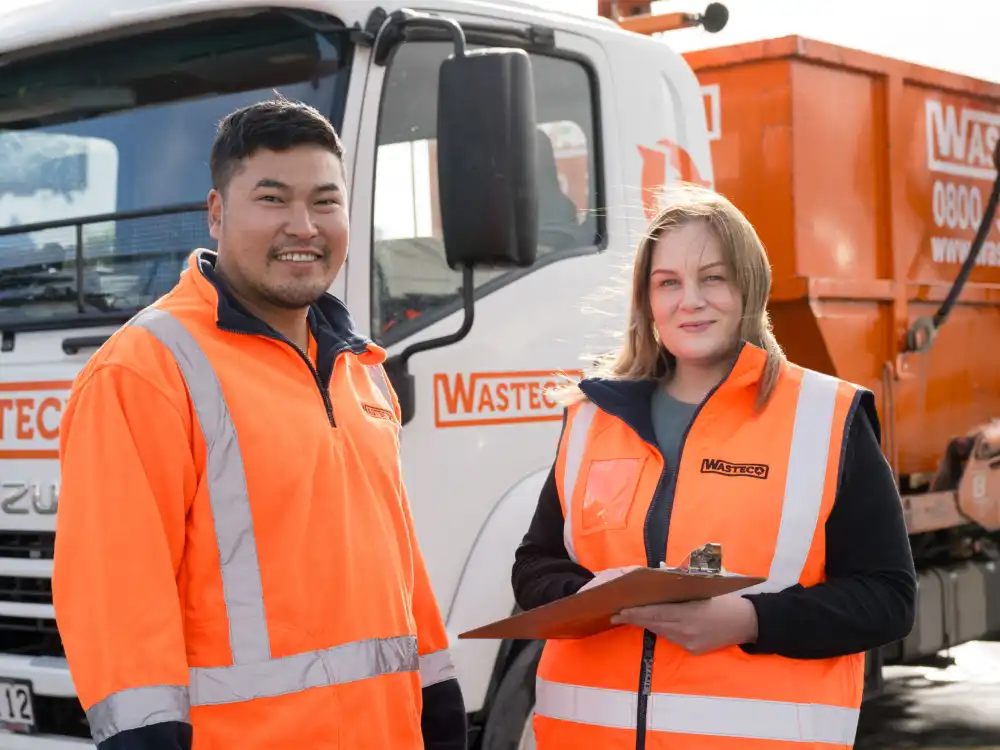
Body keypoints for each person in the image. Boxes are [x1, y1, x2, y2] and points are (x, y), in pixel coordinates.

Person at [52, 97, 468, 750]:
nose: (303, 226)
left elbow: (397, 568)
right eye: (272, 199)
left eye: (325, 202)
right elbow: (117, 601)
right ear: (216, 213)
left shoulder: (359, 368)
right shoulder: (144, 371)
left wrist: (440, 702)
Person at [511, 183, 916, 749]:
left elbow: (888, 599)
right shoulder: (591, 417)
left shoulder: (825, 417)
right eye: (668, 283)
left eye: (713, 278)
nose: (690, 301)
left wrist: (749, 621)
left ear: (749, 286)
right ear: (646, 299)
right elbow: (533, 566)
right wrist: (588, 594)